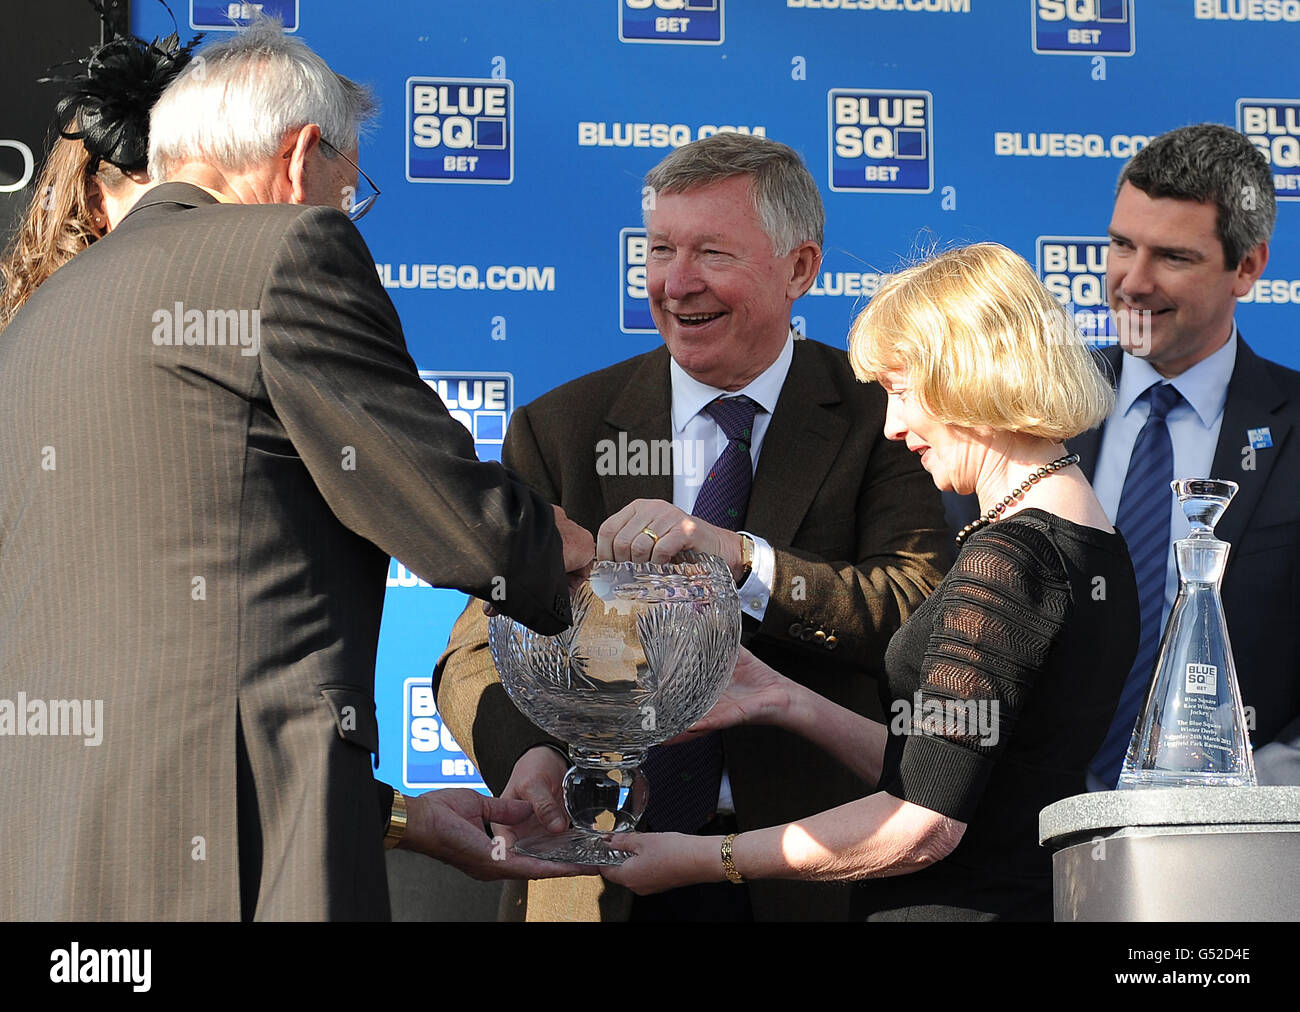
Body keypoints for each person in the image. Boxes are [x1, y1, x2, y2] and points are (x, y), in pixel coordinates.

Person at [0, 18, 594, 921]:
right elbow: (454, 518)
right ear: (299, 156)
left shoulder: (42, 314)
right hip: (238, 855)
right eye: (346, 193)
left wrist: (401, 818)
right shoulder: (283, 252)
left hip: (57, 857)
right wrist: (583, 558)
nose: (341, 214)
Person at [434, 132, 951, 921]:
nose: (676, 284)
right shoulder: (561, 428)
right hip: (603, 874)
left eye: (712, 253)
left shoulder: (882, 414)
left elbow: (916, 608)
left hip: (810, 870)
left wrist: (741, 560)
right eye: (661, 249)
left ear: (800, 268)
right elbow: (478, 643)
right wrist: (531, 755)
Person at [599, 243, 1139, 921]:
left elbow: (923, 822)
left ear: (964, 373)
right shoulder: (1090, 539)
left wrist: (708, 859)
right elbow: (955, 773)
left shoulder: (1010, 559)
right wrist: (784, 700)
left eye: (900, 389)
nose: (892, 425)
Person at [1075, 124, 1300, 789]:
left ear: (1249, 267)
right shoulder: (1033, 412)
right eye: (1121, 246)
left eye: (1172, 257)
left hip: (1242, 847)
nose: (1133, 283)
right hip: (1023, 844)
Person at [0, 29, 194, 328]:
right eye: (161, 209)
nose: (190, 229)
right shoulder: (64, 328)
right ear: (96, 203)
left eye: (199, 202)